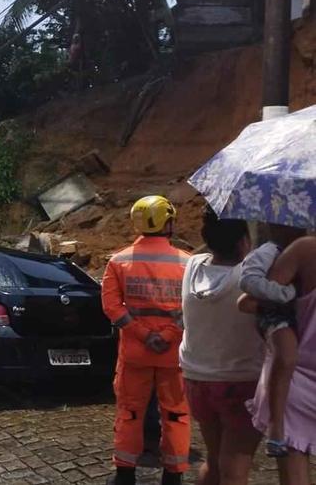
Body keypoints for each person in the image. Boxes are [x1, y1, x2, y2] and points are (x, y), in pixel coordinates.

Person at [102, 196, 191, 485]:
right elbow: (191, 308)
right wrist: (166, 335)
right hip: (172, 355)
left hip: (135, 354)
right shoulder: (187, 263)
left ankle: (125, 475)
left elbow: (112, 307)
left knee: (129, 413)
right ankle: (173, 476)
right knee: (176, 414)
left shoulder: (118, 262)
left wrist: (142, 335)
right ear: (167, 222)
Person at [179, 208, 264, 485]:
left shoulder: (192, 267)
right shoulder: (249, 277)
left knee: (214, 461)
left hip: (197, 379)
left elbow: (211, 249)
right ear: (243, 242)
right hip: (240, 382)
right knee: (235, 466)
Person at [245, 235, 316, 485]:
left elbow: (253, 301)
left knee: (294, 473)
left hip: (294, 378)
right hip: (293, 376)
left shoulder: (305, 249)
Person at [236, 224, 304, 458]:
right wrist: (284, 295)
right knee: (287, 357)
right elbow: (248, 281)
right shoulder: (268, 250)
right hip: (275, 315)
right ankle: (276, 429)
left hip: (291, 314)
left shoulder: (295, 250)